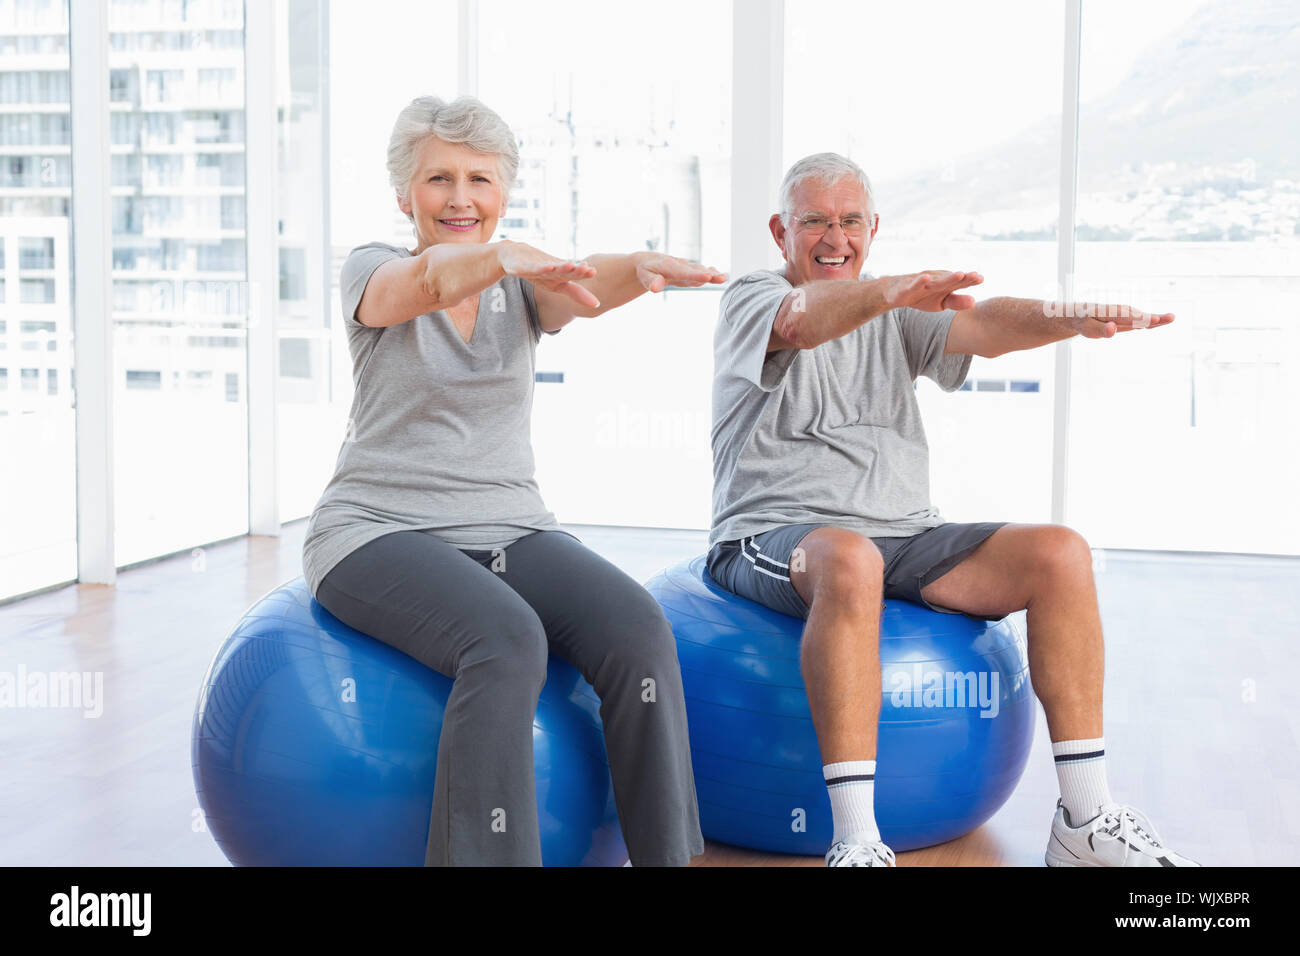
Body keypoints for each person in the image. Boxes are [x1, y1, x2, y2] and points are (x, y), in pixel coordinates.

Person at [707, 151, 1198, 867]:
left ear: (873, 229)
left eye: (850, 222)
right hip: (775, 532)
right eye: (814, 221)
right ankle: (857, 839)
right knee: (849, 556)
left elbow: (985, 328)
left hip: (906, 533)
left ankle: (1086, 820)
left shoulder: (893, 307)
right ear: (782, 230)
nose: (834, 239)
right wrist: (888, 293)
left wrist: (1072, 316)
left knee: (1060, 553)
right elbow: (801, 323)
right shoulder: (754, 296)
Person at [302, 94, 726, 866]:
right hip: (376, 533)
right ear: (406, 196)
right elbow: (427, 284)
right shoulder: (374, 270)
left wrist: (640, 266)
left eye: (479, 180)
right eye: (439, 180)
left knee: (637, 629)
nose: (460, 198)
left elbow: (578, 285)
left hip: (509, 525)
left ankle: (668, 858)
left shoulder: (520, 288)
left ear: (502, 193)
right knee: (506, 640)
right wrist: (504, 257)